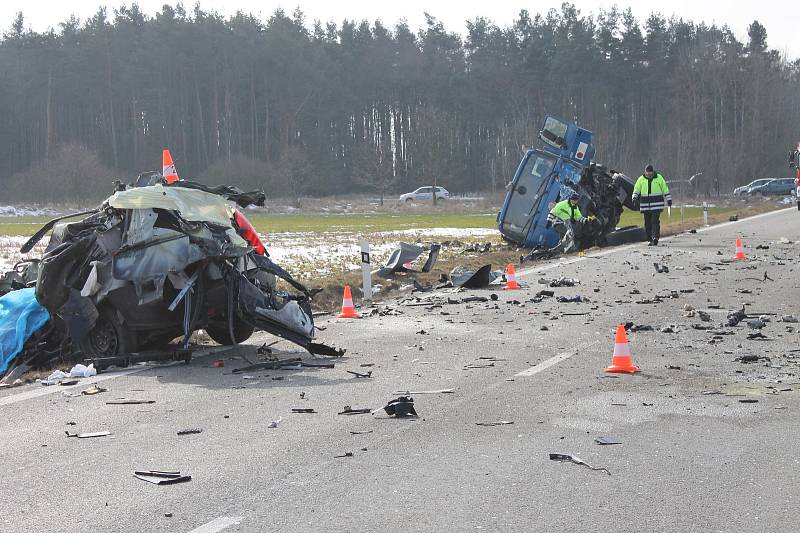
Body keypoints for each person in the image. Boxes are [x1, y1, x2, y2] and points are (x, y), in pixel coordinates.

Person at [632, 164, 671, 246]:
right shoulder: (641, 179)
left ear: (653, 172)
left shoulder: (659, 178)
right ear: (645, 172)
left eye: (650, 172)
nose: (649, 174)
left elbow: (665, 189)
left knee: (655, 221)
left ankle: (655, 237)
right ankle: (649, 239)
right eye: (647, 172)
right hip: (645, 206)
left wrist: (669, 199)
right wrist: (634, 198)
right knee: (647, 223)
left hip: (657, 205)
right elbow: (636, 189)